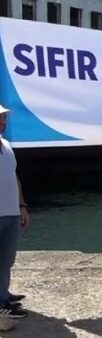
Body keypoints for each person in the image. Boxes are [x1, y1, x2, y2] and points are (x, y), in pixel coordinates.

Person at [0, 103, 28, 319]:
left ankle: (3, 294)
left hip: (11, 211)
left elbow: (14, 177)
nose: (3, 122)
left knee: (7, 258)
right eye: (1, 118)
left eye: (4, 118)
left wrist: (22, 205)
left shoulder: (7, 145)